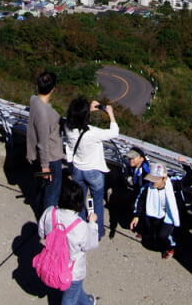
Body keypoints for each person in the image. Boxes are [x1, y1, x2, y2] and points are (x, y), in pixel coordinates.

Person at [37, 178, 100, 305]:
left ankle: (87, 302)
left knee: (75, 291)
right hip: (73, 270)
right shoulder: (80, 225)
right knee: (70, 297)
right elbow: (91, 244)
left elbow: (41, 233)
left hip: (53, 262)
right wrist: (92, 224)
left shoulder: (49, 213)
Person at [63, 97, 118, 240]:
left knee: (79, 201)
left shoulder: (67, 128)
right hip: (94, 172)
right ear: (86, 116)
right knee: (97, 201)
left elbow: (77, 120)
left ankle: (80, 228)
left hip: (77, 170)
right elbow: (114, 132)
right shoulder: (93, 133)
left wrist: (88, 111)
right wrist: (110, 114)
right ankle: (97, 232)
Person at [130, 158, 192, 259]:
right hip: (154, 214)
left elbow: (191, 178)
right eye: (152, 179)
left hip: (169, 215)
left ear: (164, 179)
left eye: (156, 180)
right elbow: (140, 200)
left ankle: (170, 246)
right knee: (152, 230)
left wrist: (184, 164)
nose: (153, 183)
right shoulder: (148, 188)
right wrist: (136, 215)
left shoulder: (174, 184)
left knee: (163, 236)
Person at [26, 70, 64, 213]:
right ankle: (47, 224)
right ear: (53, 89)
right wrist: (45, 166)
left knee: (41, 187)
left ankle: (40, 212)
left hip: (36, 157)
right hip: (49, 161)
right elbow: (43, 142)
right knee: (52, 192)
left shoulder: (33, 100)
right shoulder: (45, 114)